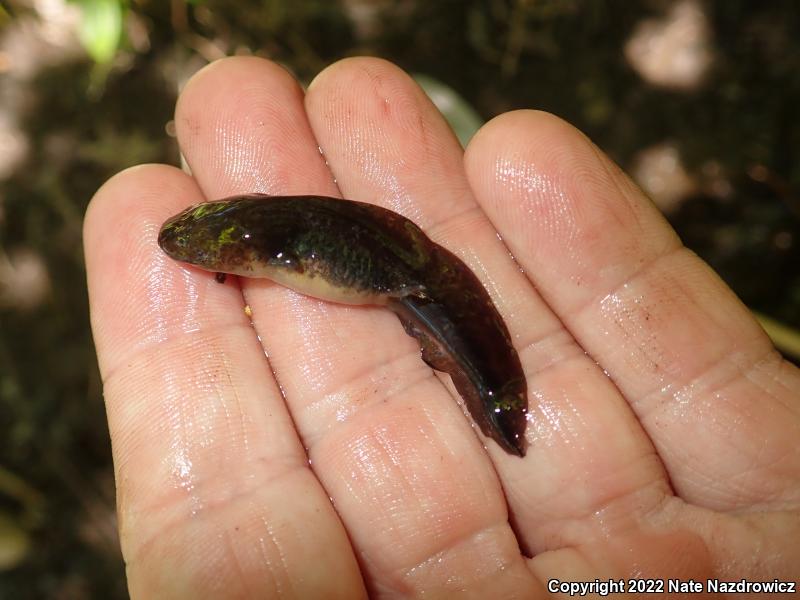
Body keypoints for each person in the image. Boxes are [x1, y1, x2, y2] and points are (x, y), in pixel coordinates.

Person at [84, 57, 800, 598]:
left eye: (207, 248)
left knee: (441, 309)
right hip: (382, 256)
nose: (196, 252)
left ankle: (499, 403)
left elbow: (308, 253)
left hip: (396, 261)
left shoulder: (289, 244)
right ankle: (493, 394)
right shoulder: (259, 237)